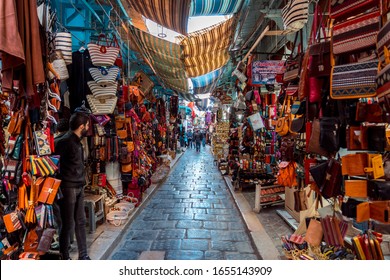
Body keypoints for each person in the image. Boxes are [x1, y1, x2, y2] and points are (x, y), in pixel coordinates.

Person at [55, 112, 90, 260]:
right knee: (68, 223)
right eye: (87, 125)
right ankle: (65, 256)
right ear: (81, 126)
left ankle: (83, 255)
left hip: (78, 186)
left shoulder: (76, 140)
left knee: (80, 222)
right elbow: (54, 162)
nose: (88, 127)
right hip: (68, 187)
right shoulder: (65, 141)